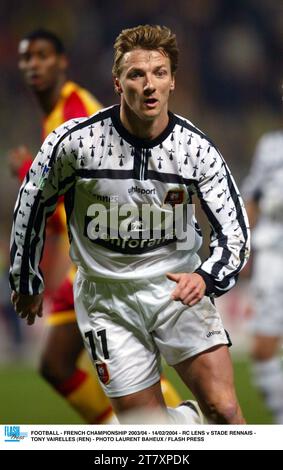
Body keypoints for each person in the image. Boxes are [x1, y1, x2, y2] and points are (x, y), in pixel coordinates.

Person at [10, 24, 250, 424]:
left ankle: (197, 420)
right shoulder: (78, 143)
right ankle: (188, 424)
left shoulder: (195, 149)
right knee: (146, 435)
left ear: (173, 80)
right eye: (137, 74)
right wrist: (25, 278)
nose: (149, 85)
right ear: (118, 83)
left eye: (159, 72)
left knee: (224, 410)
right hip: (107, 302)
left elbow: (235, 234)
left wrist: (206, 278)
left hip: (177, 290)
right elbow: (32, 201)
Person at [241, 121, 283, 424]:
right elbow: (252, 197)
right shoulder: (270, 145)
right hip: (273, 255)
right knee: (262, 349)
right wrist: (242, 250)